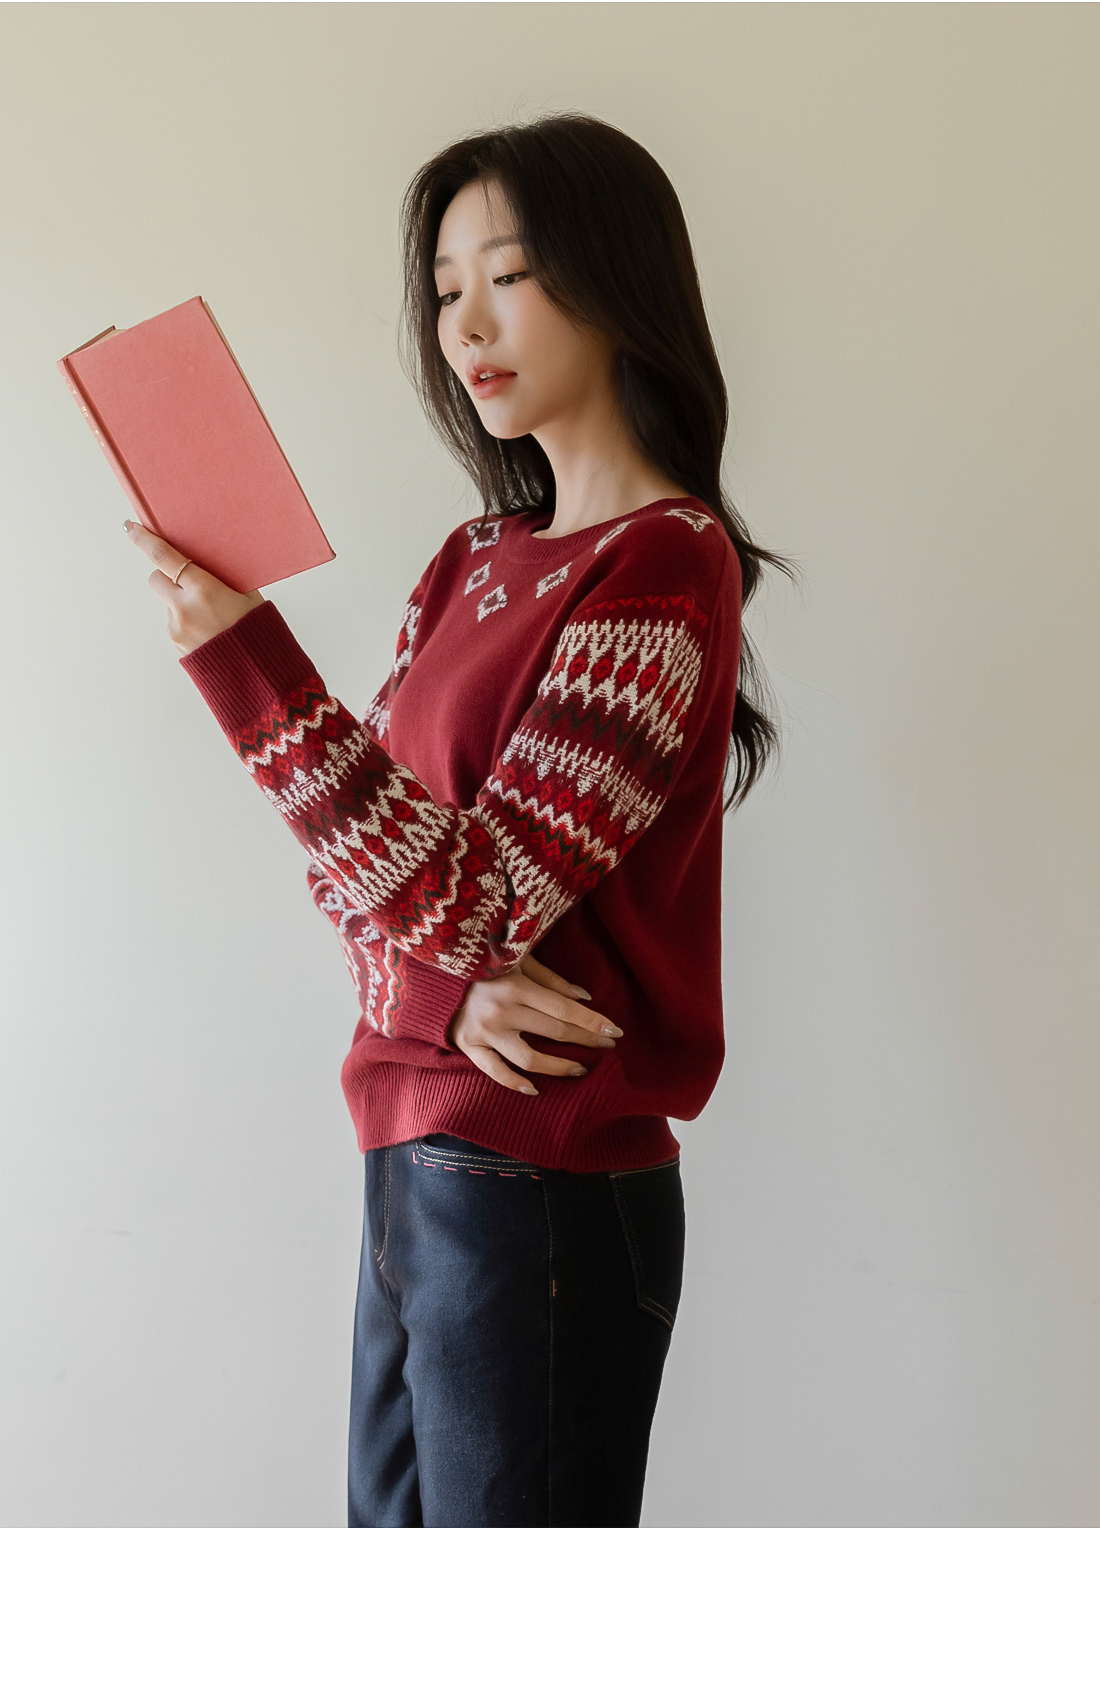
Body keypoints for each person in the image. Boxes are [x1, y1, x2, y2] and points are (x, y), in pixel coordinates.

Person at [124, 112, 790, 1527]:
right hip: (408, 1153)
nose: (466, 325)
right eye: (443, 289)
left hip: (542, 1183)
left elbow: (471, 896)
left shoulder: (664, 565)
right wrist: (439, 993)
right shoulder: (472, 559)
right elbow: (357, 872)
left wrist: (250, 663)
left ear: (617, 284)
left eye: (511, 274)